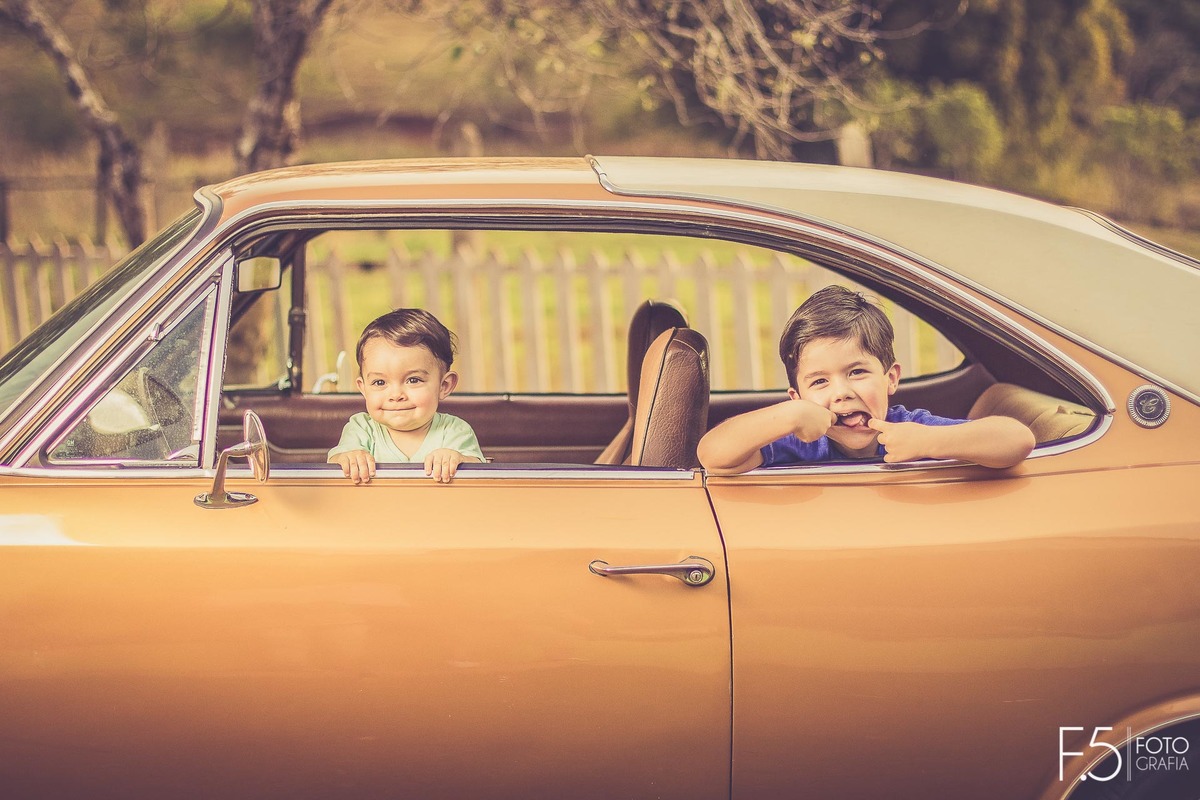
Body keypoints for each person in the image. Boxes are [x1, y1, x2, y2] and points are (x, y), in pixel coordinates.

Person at [697, 285, 1035, 474]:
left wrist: (930, 443)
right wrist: (790, 417)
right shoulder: (799, 442)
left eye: (857, 373)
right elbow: (713, 454)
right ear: (796, 397)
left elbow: (1016, 440)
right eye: (819, 382)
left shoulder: (911, 428)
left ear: (891, 379)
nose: (842, 393)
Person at [328, 308, 484, 484]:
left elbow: (479, 472)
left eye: (413, 380)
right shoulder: (362, 428)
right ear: (363, 388)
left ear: (444, 385)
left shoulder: (454, 431)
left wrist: (457, 459)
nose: (396, 395)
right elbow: (337, 460)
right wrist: (349, 457)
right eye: (379, 383)